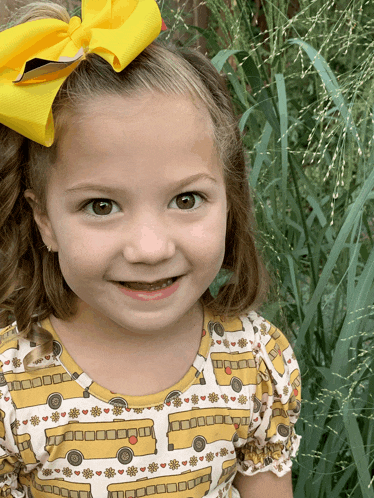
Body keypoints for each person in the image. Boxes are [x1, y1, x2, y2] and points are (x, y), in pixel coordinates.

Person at [0, 0, 302, 496]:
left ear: (230, 200)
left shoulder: (256, 361)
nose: (150, 248)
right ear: (44, 221)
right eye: (101, 206)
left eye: (186, 199)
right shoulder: (11, 385)